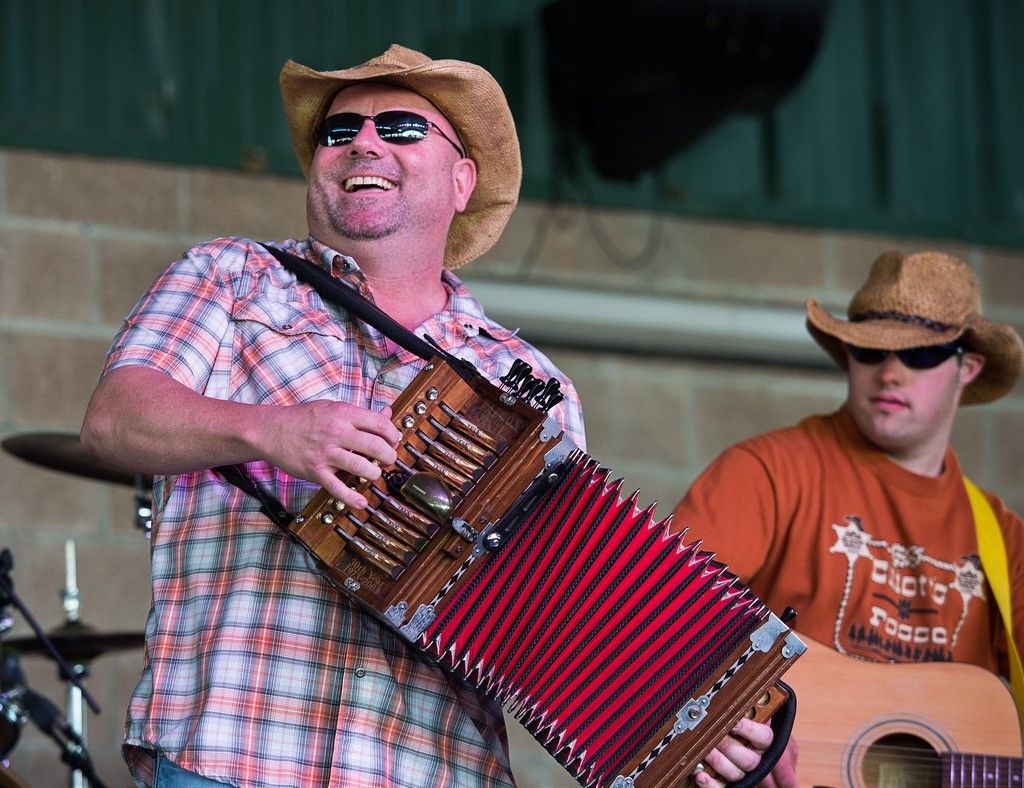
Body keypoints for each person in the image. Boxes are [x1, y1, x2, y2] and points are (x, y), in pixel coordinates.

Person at [81, 44, 771, 788]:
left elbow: (558, 618)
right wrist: (269, 430)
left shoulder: (530, 383)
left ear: (461, 179)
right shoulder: (230, 276)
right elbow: (114, 421)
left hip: (433, 769)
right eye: (338, 133)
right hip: (233, 755)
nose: (364, 143)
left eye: (402, 127)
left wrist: (691, 718)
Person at [673, 249, 1024, 781]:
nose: (890, 372)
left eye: (921, 355)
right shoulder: (766, 471)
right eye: (869, 351)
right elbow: (658, 620)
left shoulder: (1005, 541)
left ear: (967, 367)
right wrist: (723, 725)